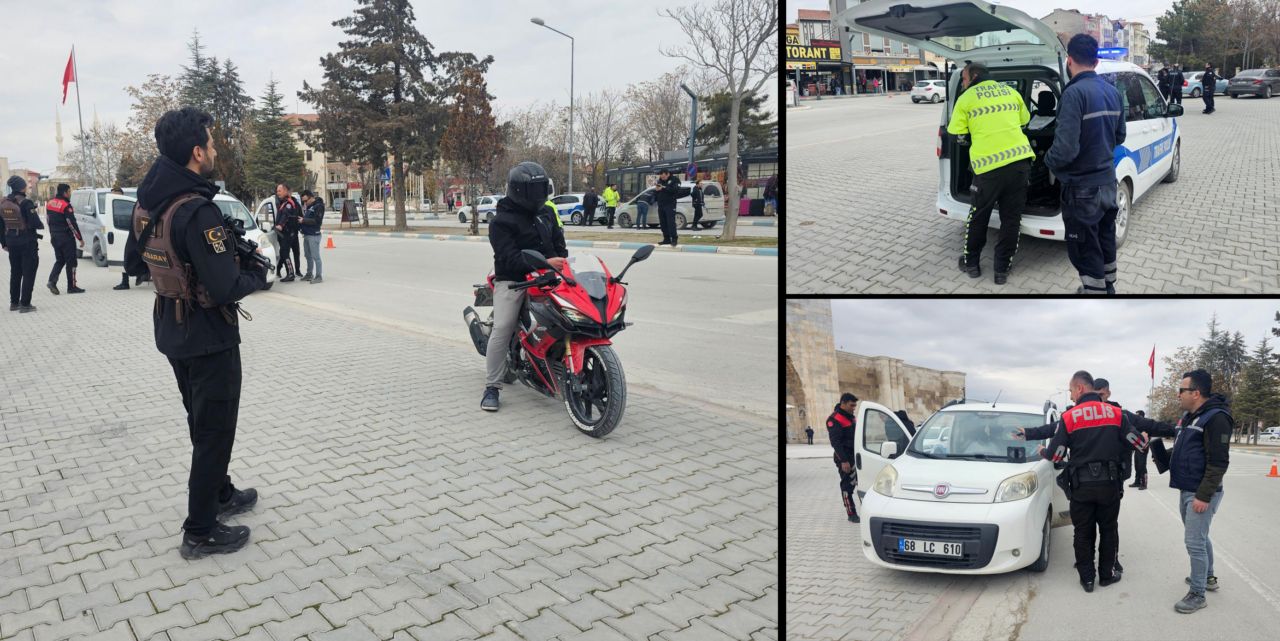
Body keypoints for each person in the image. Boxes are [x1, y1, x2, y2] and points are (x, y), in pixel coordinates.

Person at [122, 107, 269, 559]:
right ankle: (201, 529)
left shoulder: (149, 203)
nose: (216, 149)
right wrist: (257, 275)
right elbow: (225, 287)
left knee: (201, 421)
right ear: (196, 152)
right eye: (212, 142)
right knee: (215, 431)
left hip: (171, 327)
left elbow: (131, 265)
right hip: (208, 336)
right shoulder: (198, 210)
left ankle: (220, 493)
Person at [1123, 369, 1231, 613]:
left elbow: (1218, 462)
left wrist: (1204, 496)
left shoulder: (1216, 418)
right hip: (1187, 488)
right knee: (1200, 537)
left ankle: (1198, 593)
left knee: (1194, 542)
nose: (1178, 394)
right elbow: (1177, 442)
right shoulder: (1188, 418)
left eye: (1181, 390)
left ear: (1196, 392)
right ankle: (1208, 577)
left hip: (1201, 492)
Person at [1039, 370, 1146, 593]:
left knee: (1083, 532)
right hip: (1109, 484)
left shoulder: (1069, 417)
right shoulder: (1116, 413)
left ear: (1080, 388)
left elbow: (1056, 456)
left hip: (1081, 487)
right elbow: (1137, 443)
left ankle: (1087, 579)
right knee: (1108, 530)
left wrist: (1043, 451)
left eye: (1070, 390)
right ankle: (1106, 576)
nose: (1070, 396)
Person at [481, 161, 568, 412]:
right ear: (519, 191)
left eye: (542, 189)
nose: (539, 195)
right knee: (504, 326)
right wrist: (543, 263)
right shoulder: (501, 221)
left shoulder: (547, 213)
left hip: (549, 276)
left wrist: (560, 262)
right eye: (534, 190)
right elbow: (509, 257)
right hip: (514, 279)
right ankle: (492, 387)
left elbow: (559, 245)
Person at [1045, 34, 1126, 295]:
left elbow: (1065, 149)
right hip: (1107, 184)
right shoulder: (1112, 91)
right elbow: (1120, 135)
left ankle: (1094, 294)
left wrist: (1047, 161)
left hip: (1082, 189)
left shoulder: (1074, 94)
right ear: (1096, 60)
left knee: (1084, 249)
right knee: (1105, 239)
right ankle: (1108, 285)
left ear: (1069, 60)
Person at [947, 61, 1034, 285]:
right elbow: (1025, 120)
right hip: (1019, 164)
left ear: (974, 76)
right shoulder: (1011, 92)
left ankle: (972, 264)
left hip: (988, 169)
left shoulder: (966, 98)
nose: (964, 84)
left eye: (964, 79)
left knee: (978, 217)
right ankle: (1001, 271)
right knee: (1011, 219)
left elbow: (956, 132)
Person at [2, 175, 44, 312]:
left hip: (11, 242)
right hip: (27, 243)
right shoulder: (26, 202)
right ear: (21, 187)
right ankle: (25, 304)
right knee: (28, 272)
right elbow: (36, 223)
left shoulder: (3, 203)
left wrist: (4, 243)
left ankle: (14, 303)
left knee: (15, 272)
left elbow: (1, 226)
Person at [45, 183, 85, 295]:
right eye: (69, 192)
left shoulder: (50, 203)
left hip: (54, 237)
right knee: (71, 262)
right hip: (66, 238)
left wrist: (52, 233)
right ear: (64, 193)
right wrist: (80, 238)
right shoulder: (65, 205)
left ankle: (52, 281)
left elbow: (48, 221)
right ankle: (71, 287)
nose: (70, 194)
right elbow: (71, 223)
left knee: (60, 260)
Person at [827, 393, 860, 523]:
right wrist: (844, 461)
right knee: (847, 486)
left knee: (858, 482)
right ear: (843, 403)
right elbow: (836, 443)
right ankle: (851, 513)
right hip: (844, 458)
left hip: (856, 455)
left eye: (855, 405)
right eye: (852, 405)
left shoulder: (851, 417)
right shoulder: (834, 419)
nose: (854, 408)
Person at [273, 184, 302, 281]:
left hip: (288, 232)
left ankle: (291, 273)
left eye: (279, 191)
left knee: (285, 252)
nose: (278, 193)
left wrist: (280, 225)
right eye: (277, 191)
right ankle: (284, 271)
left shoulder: (288, 203)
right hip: (286, 233)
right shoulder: (283, 202)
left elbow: (286, 215)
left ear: (285, 191)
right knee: (283, 252)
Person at [299, 190, 325, 283]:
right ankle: (309, 274)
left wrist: (304, 220)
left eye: (306, 201)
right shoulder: (310, 206)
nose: (305, 203)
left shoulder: (319, 206)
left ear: (311, 197)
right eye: (303, 202)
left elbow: (317, 221)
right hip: (307, 234)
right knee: (307, 255)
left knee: (315, 256)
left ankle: (318, 276)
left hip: (314, 235)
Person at [654, 168, 681, 246]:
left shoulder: (675, 180)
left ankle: (674, 239)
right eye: (661, 177)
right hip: (661, 204)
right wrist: (657, 190)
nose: (662, 178)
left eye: (663, 176)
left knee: (670, 222)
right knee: (663, 223)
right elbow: (658, 191)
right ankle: (666, 239)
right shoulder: (660, 180)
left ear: (668, 174)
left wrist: (664, 187)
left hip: (670, 204)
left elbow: (675, 190)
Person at [1130, 409, 1149, 490]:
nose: (1136, 416)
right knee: (1137, 464)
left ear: (1141, 416)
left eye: (1137, 415)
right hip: (1137, 447)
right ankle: (1137, 482)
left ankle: (1144, 483)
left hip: (1143, 447)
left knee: (1142, 465)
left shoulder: (1146, 425)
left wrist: (1145, 445)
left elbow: (1149, 437)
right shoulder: (1136, 426)